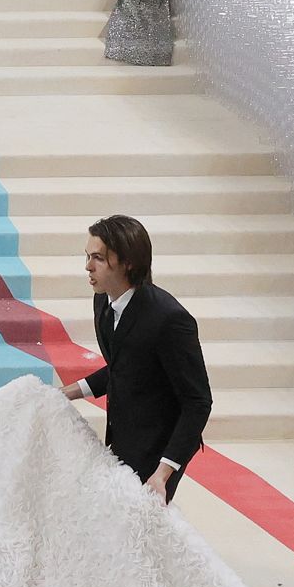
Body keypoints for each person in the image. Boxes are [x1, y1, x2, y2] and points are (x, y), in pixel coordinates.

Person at [60, 214, 210, 500]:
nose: (88, 267)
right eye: (88, 256)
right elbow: (124, 366)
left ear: (128, 262)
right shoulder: (103, 300)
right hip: (123, 433)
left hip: (159, 446)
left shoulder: (169, 320)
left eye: (98, 258)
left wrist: (163, 472)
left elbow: (198, 402)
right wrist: (67, 392)